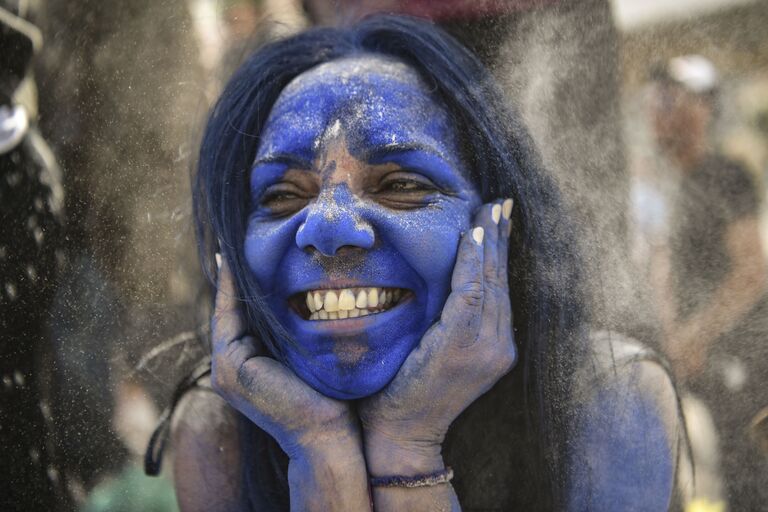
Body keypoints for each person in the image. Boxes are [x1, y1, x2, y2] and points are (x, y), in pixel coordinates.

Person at [161, 16, 681, 511]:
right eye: (280, 196)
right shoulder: (216, 429)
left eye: (402, 186)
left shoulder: (607, 401)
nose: (328, 228)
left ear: (499, 225)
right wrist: (318, 451)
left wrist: (405, 447)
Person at [650, 55, 768, 510]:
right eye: (655, 100)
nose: (656, 112)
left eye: (669, 99)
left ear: (701, 109)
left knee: (752, 482)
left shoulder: (724, 176)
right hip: (708, 362)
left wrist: (694, 334)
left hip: (747, 361)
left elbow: (752, 273)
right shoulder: (672, 185)